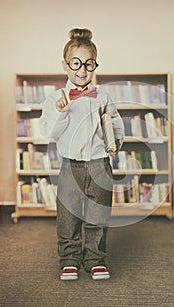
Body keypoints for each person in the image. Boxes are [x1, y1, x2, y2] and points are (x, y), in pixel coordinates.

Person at [39, 28, 125, 281]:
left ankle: (95, 259)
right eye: (76, 64)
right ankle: (69, 259)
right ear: (65, 65)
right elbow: (49, 132)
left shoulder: (103, 97)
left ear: (95, 65)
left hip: (100, 164)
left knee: (98, 215)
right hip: (71, 166)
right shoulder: (56, 98)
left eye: (88, 64)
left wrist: (117, 142)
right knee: (69, 215)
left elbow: (115, 123)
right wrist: (60, 111)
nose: (82, 70)